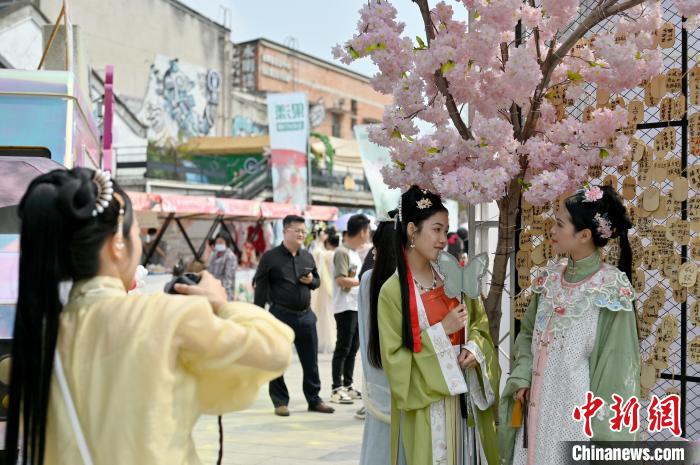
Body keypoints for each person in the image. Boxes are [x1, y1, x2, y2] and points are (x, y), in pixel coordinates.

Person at [6, 168, 294, 465]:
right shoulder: (167, 317)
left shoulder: (37, 341)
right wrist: (221, 304)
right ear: (117, 243)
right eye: (136, 233)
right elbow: (273, 349)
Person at [500, 185, 639, 465]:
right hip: (534, 413)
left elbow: (616, 373)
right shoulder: (549, 280)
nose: (552, 230)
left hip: (575, 423)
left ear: (585, 235)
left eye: (560, 224)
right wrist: (524, 374)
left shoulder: (610, 290)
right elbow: (527, 334)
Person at [378, 186, 500, 465]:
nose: (443, 239)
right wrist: (441, 331)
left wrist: (474, 349)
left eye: (445, 231)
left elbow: (479, 325)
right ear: (412, 230)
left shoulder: (453, 278)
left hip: (466, 402)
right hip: (426, 407)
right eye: (436, 230)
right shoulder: (392, 292)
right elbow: (394, 361)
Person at [254, 215, 335, 416]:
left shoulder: (307, 257)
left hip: (306, 316)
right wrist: (258, 316)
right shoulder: (270, 258)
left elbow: (317, 280)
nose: (301, 234)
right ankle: (280, 401)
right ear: (285, 231)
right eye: (297, 230)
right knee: (278, 359)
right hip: (280, 315)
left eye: (303, 231)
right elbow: (261, 289)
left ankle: (314, 399)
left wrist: (311, 281)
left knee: (310, 362)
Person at [357, 212, 403, 465]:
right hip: (408, 382)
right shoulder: (407, 284)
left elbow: (365, 338)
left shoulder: (368, 281)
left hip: (378, 379)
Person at [330, 214, 371, 404]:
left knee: (353, 348)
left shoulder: (354, 252)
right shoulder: (342, 252)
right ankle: (336, 387)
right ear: (362, 231)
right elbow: (340, 279)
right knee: (343, 347)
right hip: (345, 306)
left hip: (355, 305)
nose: (369, 234)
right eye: (368, 230)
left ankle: (347, 384)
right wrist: (362, 282)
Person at [310, 228, 339, 354]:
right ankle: (331, 340)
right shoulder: (331, 254)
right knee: (329, 314)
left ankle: (324, 340)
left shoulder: (323, 253)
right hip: (331, 287)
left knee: (324, 314)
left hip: (323, 287)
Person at [208, 233, 238, 301]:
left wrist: (217, 287)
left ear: (226, 243)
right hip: (213, 290)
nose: (218, 244)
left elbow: (228, 278)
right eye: (217, 242)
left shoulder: (230, 256)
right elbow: (209, 271)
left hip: (224, 292)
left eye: (221, 242)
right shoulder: (214, 254)